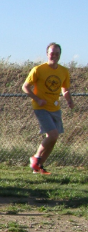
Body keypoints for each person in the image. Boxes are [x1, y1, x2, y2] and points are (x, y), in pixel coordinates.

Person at [22, 43, 73, 175]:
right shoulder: (38, 70)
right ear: (47, 54)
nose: (54, 56)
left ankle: (38, 167)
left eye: (57, 54)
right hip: (41, 107)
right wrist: (37, 99)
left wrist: (69, 100)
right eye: (52, 53)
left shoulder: (63, 71)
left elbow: (65, 89)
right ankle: (36, 157)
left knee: (53, 139)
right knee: (53, 134)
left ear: (60, 55)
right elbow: (25, 87)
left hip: (55, 108)